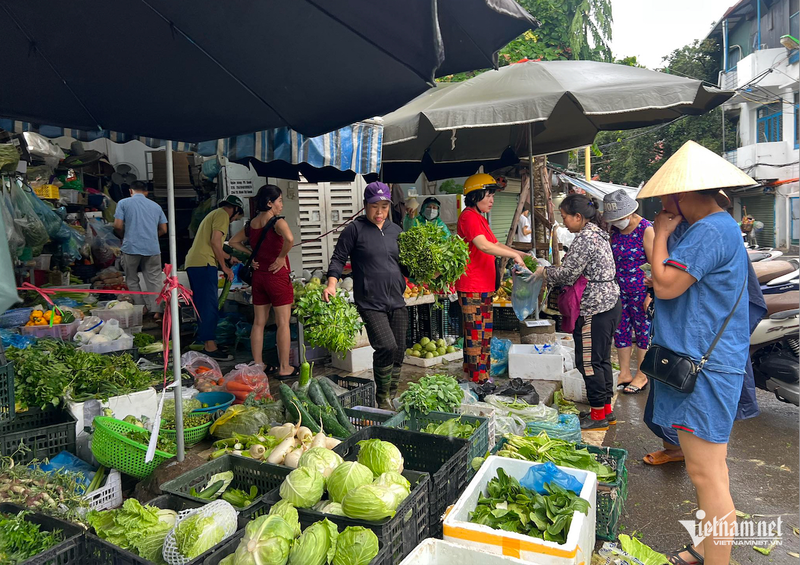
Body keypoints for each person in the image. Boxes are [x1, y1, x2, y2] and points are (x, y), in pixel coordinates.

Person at [637, 141, 755, 565]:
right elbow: (669, 276)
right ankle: (702, 549)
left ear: (682, 194)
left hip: (705, 369)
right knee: (710, 470)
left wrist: (663, 231)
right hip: (707, 362)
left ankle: (716, 559)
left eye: (669, 198)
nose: (666, 205)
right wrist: (665, 244)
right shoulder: (715, 227)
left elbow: (666, 284)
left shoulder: (709, 230)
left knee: (707, 475)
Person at [536, 193, 621, 431]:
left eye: (565, 218)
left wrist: (543, 272)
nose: (563, 223)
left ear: (578, 216)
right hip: (610, 303)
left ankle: (597, 416)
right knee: (601, 359)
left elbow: (567, 274)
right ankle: (605, 411)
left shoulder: (586, 238)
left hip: (595, 307)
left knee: (588, 362)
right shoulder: (599, 234)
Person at [324, 182, 408, 408]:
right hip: (370, 302)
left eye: (384, 206)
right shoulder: (355, 229)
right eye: (374, 207)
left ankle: (391, 394)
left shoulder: (396, 231)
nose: (379, 212)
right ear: (365, 206)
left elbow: (407, 267)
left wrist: (433, 272)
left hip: (397, 300)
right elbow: (338, 258)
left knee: (399, 350)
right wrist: (332, 283)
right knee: (386, 346)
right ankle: (382, 398)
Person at [456, 173, 525, 383]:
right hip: (472, 285)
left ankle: (475, 376)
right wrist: (513, 254)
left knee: (483, 334)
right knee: (476, 335)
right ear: (476, 196)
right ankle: (479, 380)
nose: (492, 200)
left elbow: (495, 245)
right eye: (488, 195)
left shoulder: (480, 218)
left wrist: (520, 254)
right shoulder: (468, 216)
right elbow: (483, 246)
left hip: (484, 286)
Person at [229, 185, 296, 379]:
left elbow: (234, 242)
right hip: (277, 276)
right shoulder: (277, 222)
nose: (281, 205)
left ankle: (258, 365)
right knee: (283, 322)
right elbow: (290, 239)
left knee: (259, 323)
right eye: (279, 201)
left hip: (259, 278)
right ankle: (285, 367)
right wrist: (282, 257)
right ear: (269, 203)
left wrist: (252, 255)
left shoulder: (252, 224)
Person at [602, 189, 654, 394]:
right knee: (621, 330)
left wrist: (651, 294)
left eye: (619, 218)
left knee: (642, 331)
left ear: (630, 212)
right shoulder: (614, 231)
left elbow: (653, 263)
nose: (617, 222)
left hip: (641, 290)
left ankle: (642, 374)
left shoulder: (645, 228)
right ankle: (625, 372)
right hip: (619, 289)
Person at [184, 195, 244, 361]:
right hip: (203, 264)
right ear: (235, 209)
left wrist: (229, 258)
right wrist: (224, 267)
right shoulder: (223, 215)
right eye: (236, 218)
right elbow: (215, 241)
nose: (233, 221)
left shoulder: (215, 214)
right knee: (209, 306)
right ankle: (210, 347)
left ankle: (208, 343)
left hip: (197, 263)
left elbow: (214, 245)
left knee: (205, 305)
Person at [113, 181, 167, 320]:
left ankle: (141, 307)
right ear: (146, 192)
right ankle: (157, 311)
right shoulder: (156, 206)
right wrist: (152, 237)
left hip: (131, 247)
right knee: (154, 280)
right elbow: (164, 229)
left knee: (132, 279)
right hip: (153, 248)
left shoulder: (123, 203)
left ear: (131, 191)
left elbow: (117, 226)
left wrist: (124, 237)